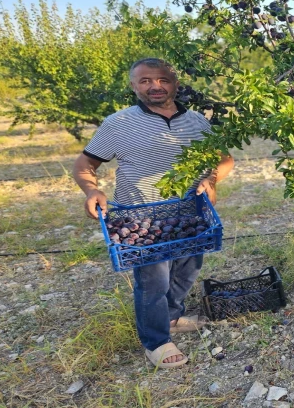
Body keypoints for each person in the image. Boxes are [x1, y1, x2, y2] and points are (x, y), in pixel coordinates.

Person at [73, 58, 235, 367]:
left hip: (191, 213)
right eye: (145, 81)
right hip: (140, 217)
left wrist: (212, 178)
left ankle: (172, 318)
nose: (155, 86)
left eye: (162, 79)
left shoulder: (198, 121)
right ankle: (157, 341)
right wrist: (92, 190)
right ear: (134, 86)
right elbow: (84, 165)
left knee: (187, 271)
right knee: (153, 281)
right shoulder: (118, 123)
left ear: (175, 84)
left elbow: (224, 159)